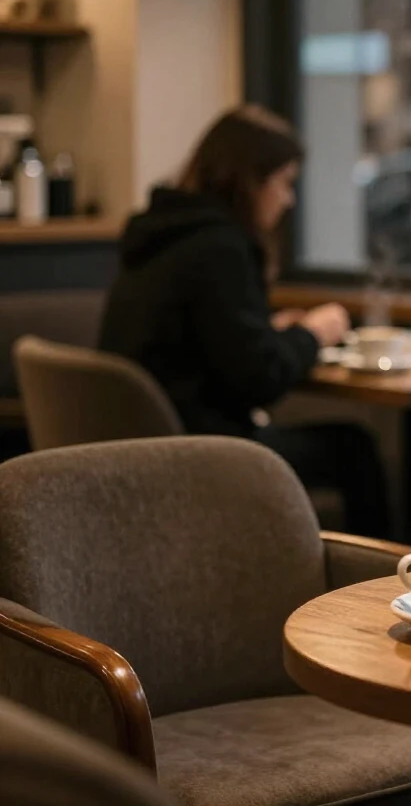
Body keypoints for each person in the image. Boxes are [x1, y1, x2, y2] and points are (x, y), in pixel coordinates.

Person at [100, 105, 389, 536]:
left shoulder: (162, 235)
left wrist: (267, 330)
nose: (289, 200)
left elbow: (197, 342)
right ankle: (380, 590)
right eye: (285, 183)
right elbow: (259, 377)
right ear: (251, 181)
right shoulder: (219, 248)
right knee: (354, 448)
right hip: (198, 450)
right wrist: (315, 333)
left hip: (140, 444)